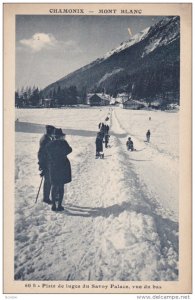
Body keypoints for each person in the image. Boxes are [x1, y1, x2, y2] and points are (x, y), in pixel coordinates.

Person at [46, 128, 72, 212]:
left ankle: (53, 205)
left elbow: (46, 154)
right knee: (61, 186)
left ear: (54, 136)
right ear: (61, 136)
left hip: (53, 167)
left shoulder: (49, 144)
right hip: (62, 166)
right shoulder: (63, 143)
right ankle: (59, 205)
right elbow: (70, 150)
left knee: (54, 185)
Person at [38, 125, 55, 204]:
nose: (54, 133)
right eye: (53, 132)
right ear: (50, 131)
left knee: (49, 180)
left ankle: (46, 197)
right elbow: (41, 153)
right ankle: (46, 198)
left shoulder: (46, 138)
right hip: (46, 163)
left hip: (47, 162)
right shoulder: (45, 140)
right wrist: (42, 164)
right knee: (48, 181)